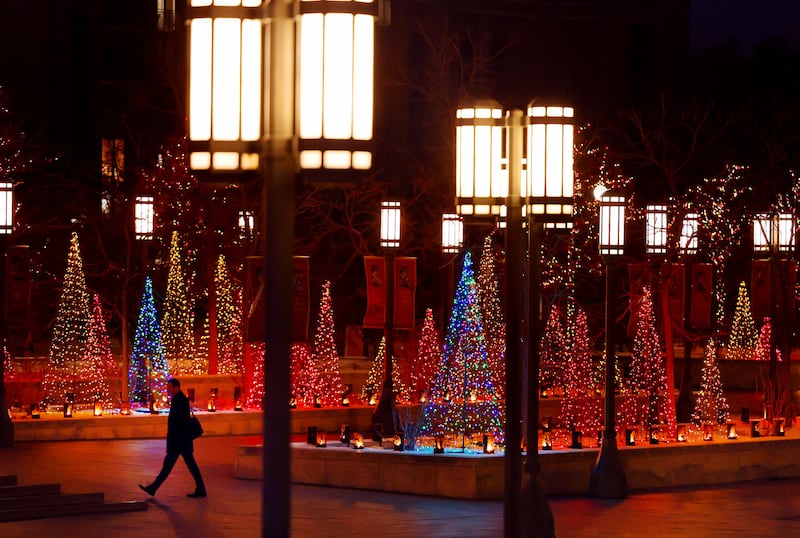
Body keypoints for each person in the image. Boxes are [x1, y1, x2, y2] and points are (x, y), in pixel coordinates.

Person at [139, 378, 207, 498]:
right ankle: (154, 487)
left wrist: (174, 436)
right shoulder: (179, 399)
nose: (168, 389)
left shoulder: (179, 400)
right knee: (183, 465)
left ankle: (154, 488)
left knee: (173, 466)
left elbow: (180, 421)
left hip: (179, 440)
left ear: (176, 387)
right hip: (181, 441)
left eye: (170, 387)